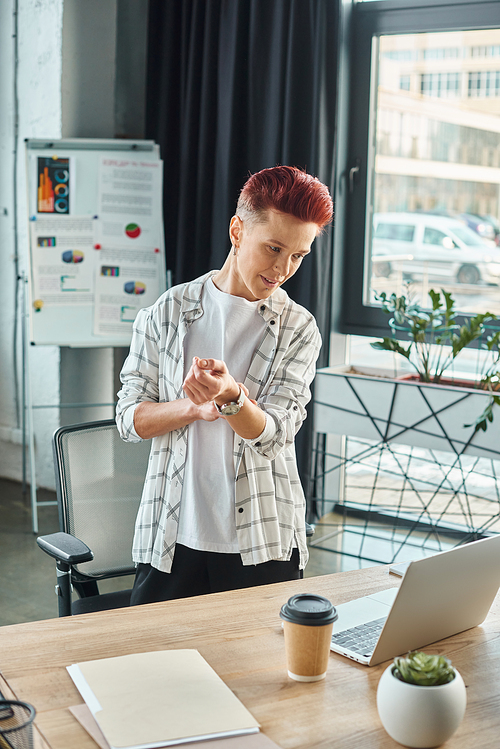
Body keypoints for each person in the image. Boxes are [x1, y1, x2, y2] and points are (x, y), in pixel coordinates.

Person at [116, 165, 333, 605]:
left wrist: (232, 397)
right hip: (173, 532)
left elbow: (273, 435)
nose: (282, 269)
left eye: (298, 255)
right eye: (273, 248)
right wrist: (193, 409)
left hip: (263, 538)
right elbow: (128, 419)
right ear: (237, 230)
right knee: (153, 665)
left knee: (261, 672)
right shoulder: (167, 313)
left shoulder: (299, 328)